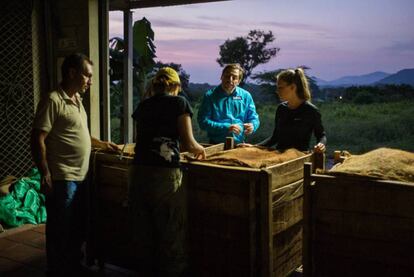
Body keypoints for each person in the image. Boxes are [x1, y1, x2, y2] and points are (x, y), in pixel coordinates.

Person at [31, 53, 119, 277]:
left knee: (78, 225)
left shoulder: (77, 100)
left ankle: (72, 265)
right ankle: (57, 270)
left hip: (82, 176)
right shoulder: (53, 100)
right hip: (63, 177)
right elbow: (37, 138)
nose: (90, 81)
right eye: (87, 76)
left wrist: (103, 144)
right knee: (61, 228)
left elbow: (81, 136)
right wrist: (45, 174)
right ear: (72, 73)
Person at [129, 67, 206, 277]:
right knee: (171, 230)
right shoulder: (179, 103)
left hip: (139, 171)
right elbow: (189, 144)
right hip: (165, 175)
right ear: (175, 86)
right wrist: (202, 150)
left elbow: (139, 140)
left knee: (143, 230)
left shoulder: (143, 106)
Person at [252, 68, 326, 152]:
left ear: (293, 87)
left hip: (299, 158)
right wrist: (254, 147)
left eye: (280, 88)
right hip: (279, 157)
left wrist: (321, 144)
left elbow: (321, 135)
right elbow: (275, 138)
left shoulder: (311, 111)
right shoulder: (281, 109)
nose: (277, 91)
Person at [197, 63, 260, 144]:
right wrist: (226, 127)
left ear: (239, 81)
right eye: (227, 76)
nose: (230, 79)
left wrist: (253, 125)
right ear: (221, 77)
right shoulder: (210, 96)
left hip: (240, 144)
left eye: (234, 77)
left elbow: (254, 118)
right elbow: (203, 122)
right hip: (216, 144)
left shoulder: (246, 96)